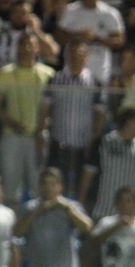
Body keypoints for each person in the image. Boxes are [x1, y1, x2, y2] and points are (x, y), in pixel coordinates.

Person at [0, 32, 54, 204]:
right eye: (23, 44)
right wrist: (12, 122)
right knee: (10, 184)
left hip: (38, 136)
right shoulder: (6, 72)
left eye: (30, 45)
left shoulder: (48, 73)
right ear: (17, 48)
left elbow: (52, 107)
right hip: (12, 134)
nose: (27, 48)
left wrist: (42, 129)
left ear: (37, 48)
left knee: (38, 184)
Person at [39, 38, 106, 198]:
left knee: (78, 190)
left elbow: (100, 114)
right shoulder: (55, 79)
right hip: (58, 142)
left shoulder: (95, 83)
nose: (76, 56)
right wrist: (41, 131)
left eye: (80, 52)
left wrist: (94, 138)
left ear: (87, 56)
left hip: (84, 145)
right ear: (67, 55)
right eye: (72, 52)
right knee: (55, 186)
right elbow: (45, 109)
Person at [13, 167, 92, 267]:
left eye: (52, 184)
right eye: (45, 184)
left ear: (60, 187)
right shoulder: (30, 207)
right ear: (40, 186)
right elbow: (17, 232)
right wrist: (37, 211)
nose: (48, 188)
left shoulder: (71, 206)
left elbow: (86, 227)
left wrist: (67, 209)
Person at [80, 109, 135, 220]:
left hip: (130, 217)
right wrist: (82, 200)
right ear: (130, 122)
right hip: (102, 211)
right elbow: (88, 174)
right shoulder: (103, 142)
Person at [90, 186, 135, 267]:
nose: (124, 204)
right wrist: (117, 226)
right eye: (121, 201)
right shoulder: (106, 222)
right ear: (116, 204)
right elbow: (94, 241)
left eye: (128, 200)